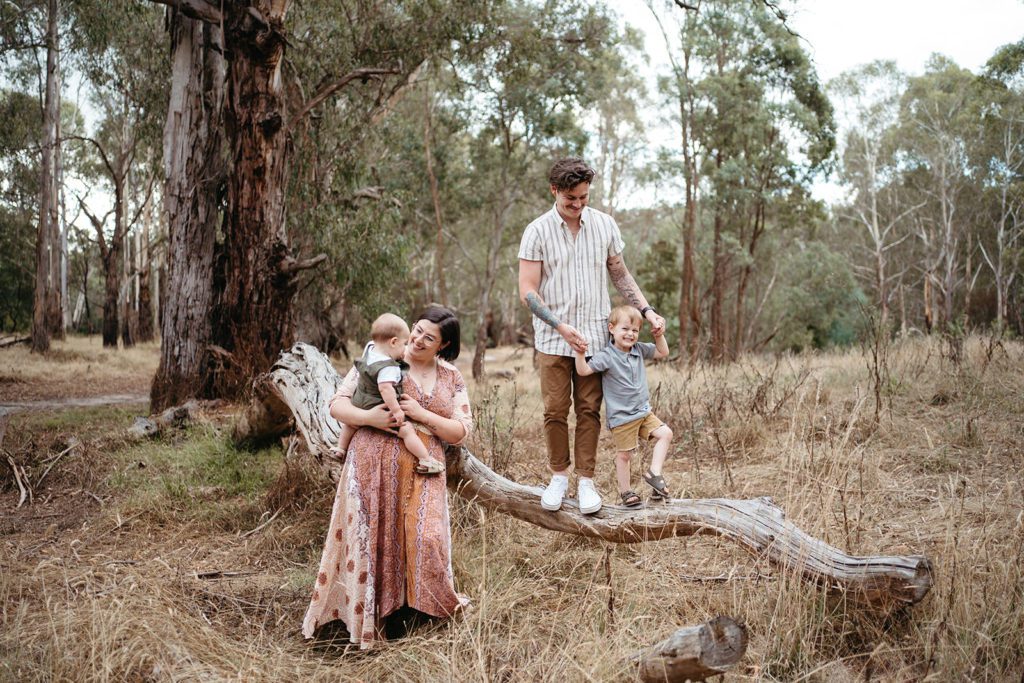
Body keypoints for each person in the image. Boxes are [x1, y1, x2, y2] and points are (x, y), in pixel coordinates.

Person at [302, 305, 472, 648]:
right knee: (374, 540)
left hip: (425, 464)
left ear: (443, 345)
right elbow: (338, 404)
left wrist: (422, 413)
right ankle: (375, 620)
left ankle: (425, 611)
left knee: (426, 537)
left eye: (430, 336)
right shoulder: (383, 357)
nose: (419, 339)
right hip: (371, 459)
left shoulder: (451, 376)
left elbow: (462, 430)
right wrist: (372, 420)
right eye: (418, 329)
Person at [518, 157, 666, 514]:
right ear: (554, 190)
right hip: (555, 338)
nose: (578, 204)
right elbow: (528, 291)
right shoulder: (536, 231)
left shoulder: (604, 225)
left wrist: (646, 310)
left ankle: (586, 481)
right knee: (555, 410)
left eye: (583, 197)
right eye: (571, 198)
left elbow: (620, 274)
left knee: (589, 411)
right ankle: (558, 476)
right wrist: (560, 326)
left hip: (596, 339)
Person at [574, 305, 674, 507]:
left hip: (643, 412)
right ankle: (626, 492)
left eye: (635, 330)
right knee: (625, 455)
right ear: (611, 328)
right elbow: (584, 370)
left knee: (666, 434)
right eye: (625, 329)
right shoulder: (607, 356)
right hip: (623, 417)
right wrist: (579, 352)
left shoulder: (638, 349)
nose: (630, 334)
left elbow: (663, 352)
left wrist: (658, 335)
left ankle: (654, 473)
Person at [337, 312, 445, 475]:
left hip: (359, 402)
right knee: (407, 430)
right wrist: (396, 411)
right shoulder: (389, 367)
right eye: (404, 345)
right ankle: (426, 459)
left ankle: (340, 448)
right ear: (394, 342)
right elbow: (386, 389)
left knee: (350, 424)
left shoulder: (370, 349)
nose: (406, 349)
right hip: (380, 407)